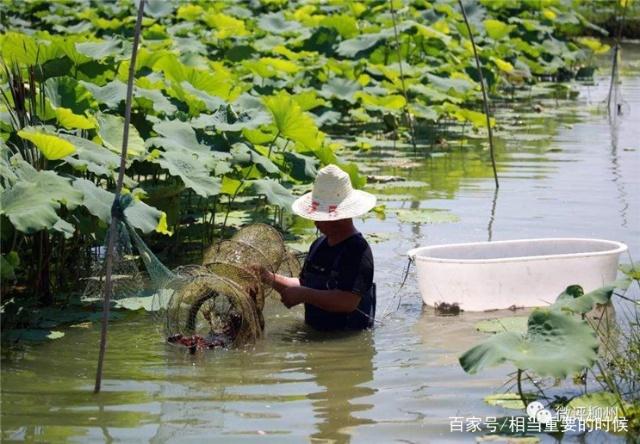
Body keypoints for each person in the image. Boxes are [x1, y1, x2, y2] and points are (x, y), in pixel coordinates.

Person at [260, 164, 377, 331]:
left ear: (340, 217)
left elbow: (348, 302)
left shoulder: (358, 250)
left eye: (320, 217)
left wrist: (304, 294)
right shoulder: (318, 245)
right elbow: (304, 284)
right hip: (314, 334)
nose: (315, 222)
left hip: (344, 340)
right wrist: (267, 277)